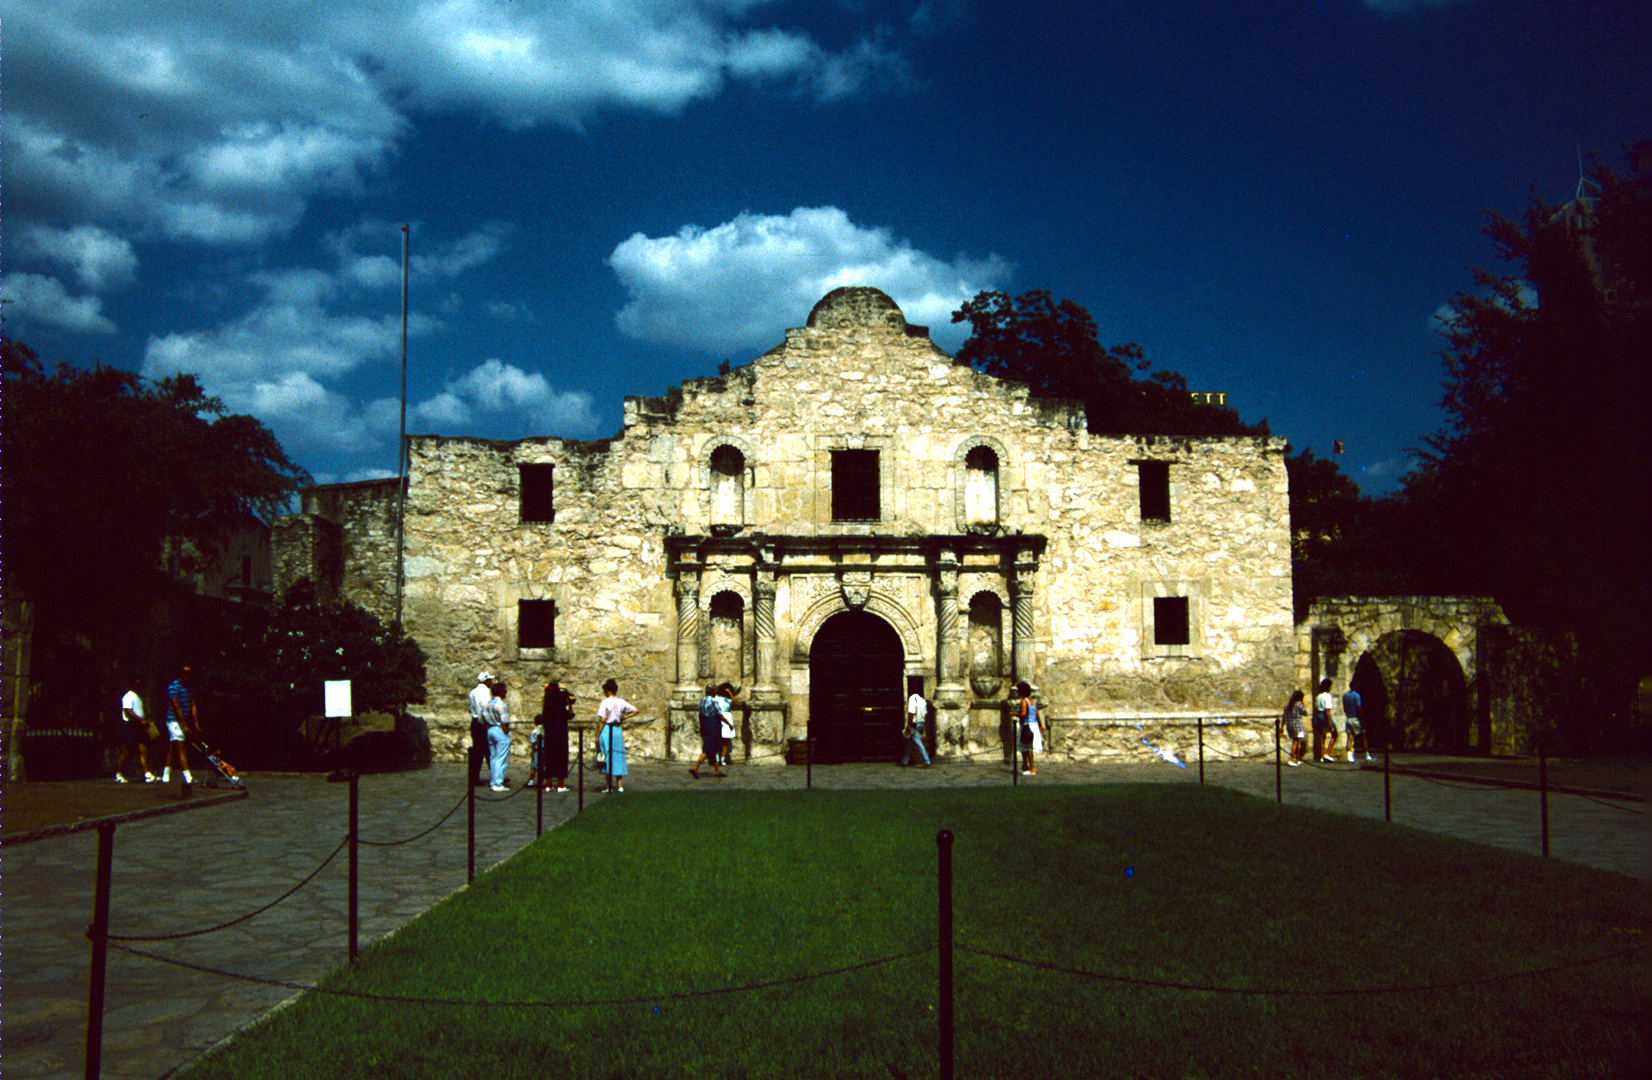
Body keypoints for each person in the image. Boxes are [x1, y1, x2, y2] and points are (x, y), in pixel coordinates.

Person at [596, 678, 637, 793]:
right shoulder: (621, 701)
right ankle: (619, 785)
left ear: (607, 690)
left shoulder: (605, 702)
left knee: (606, 755)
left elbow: (602, 720)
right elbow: (635, 710)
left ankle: (609, 785)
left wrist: (597, 735)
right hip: (617, 730)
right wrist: (623, 717)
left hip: (607, 729)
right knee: (617, 756)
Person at [162, 665, 199, 789]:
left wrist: (195, 724)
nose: (187, 675)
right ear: (180, 673)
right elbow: (176, 707)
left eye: (189, 673)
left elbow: (192, 705)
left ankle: (165, 774)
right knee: (181, 747)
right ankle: (188, 777)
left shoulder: (189, 688)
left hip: (183, 720)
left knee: (173, 747)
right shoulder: (173, 687)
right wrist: (184, 725)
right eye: (184, 673)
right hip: (173, 720)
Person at [535, 680, 574, 792]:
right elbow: (570, 715)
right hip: (560, 734)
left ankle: (548, 783)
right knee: (561, 758)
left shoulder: (547, 705)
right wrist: (569, 704)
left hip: (549, 735)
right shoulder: (560, 705)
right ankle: (560, 784)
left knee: (549, 757)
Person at [116, 677, 156, 783]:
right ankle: (118, 774)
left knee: (142, 748)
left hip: (138, 726)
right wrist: (140, 720)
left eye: (140, 684)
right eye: (136, 683)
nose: (138, 686)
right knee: (126, 750)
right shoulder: (128, 697)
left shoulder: (138, 697)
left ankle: (147, 773)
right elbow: (128, 711)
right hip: (130, 726)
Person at [690, 684, 726, 779]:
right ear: (713, 691)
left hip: (704, 725)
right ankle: (695, 767)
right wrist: (729, 724)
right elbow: (719, 714)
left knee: (712, 748)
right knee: (708, 748)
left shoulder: (703, 700)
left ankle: (717, 771)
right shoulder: (713, 701)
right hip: (712, 726)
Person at [485, 679, 512, 791]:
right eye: (504, 691)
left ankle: (493, 781)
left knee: (493, 757)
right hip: (499, 729)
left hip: (490, 729)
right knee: (501, 758)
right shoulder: (500, 704)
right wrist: (505, 731)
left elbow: (482, 719)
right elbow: (504, 720)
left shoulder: (487, 704)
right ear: (500, 692)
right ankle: (498, 783)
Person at [468, 672, 493, 787]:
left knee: (478, 752)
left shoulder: (473, 692)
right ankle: (495, 776)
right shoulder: (485, 692)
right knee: (488, 751)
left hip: (474, 722)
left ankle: (475, 777)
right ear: (486, 681)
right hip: (483, 723)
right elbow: (485, 709)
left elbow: (470, 708)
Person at [901, 677, 932, 768]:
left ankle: (926, 761)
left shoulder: (912, 699)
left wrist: (909, 725)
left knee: (918, 743)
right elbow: (926, 715)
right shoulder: (922, 700)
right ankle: (905, 760)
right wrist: (924, 726)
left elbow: (911, 713)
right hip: (921, 723)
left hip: (915, 724)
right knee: (912, 743)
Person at [1015, 681, 1044, 775]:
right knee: (1024, 746)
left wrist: (1014, 713)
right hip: (1033, 725)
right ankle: (1025, 765)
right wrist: (1040, 725)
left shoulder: (1024, 701)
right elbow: (1037, 714)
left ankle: (1032, 767)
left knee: (1028, 747)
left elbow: (1023, 714)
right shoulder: (1032, 701)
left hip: (1027, 725)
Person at [1342, 686, 1374, 762]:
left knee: (1349, 737)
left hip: (1349, 718)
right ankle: (1367, 755)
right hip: (1356, 718)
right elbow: (1359, 708)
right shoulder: (1356, 695)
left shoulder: (1345, 696)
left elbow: (1345, 708)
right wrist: (1362, 719)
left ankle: (1349, 757)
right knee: (1363, 736)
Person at [1278, 689, 1308, 767]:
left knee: (1296, 741)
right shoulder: (1299, 705)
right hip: (1297, 725)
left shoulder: (1288, 705)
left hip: (1290, 725)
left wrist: (1282, 726)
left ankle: (1298, 759)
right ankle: (1291, 759)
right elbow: (1305, 713)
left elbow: (1284, 716)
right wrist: (1303, 703)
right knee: (1295, 742)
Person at [1313, 678, 1336, 763]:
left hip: (1319, 715)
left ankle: (1322, 756)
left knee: (1322, 737)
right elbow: (1327, 710)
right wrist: (1330, 723)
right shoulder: (1327, 696)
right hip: (1324, 715)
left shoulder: (1318, 696)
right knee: (1334, 734)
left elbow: (1315, 708)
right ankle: (1327, 753)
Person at [717, 682, 738, 767]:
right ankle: (717, 758)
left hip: (727, 718)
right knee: (717, 739)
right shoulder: (717, 698)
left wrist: (729, 693)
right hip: (719, 717)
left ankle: (722, 759)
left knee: (725, 740)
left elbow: (735, 702)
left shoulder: (729, 699)